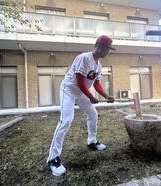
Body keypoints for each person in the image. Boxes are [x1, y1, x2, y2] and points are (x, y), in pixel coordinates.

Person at [47, 35, 115, 176]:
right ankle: (53, 159)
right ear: (99, 46)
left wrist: (106, 96)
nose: (107, 52)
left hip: (81, 93)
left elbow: (96, 83)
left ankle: (92, 141)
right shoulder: (84, 58)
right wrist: (91, 96)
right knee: (66, 120)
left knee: (93, 114)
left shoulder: (99, 65)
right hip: (69, 90)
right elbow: (79, 81)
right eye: (107, 49)